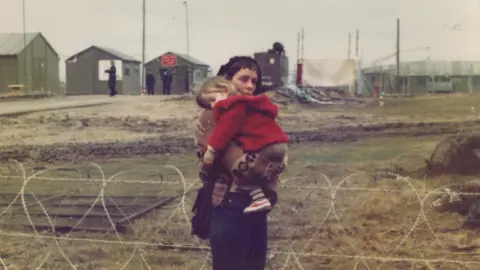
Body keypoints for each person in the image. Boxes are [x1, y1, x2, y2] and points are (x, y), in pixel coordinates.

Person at [191, 56, 285, 270]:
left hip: (254, 203)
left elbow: (276, 147)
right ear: (226, 81)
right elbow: (246, 167)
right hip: (231, 203)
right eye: (244, 79)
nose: (250, 86)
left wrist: (274, 160)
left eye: (254, 81)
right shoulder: (212, 117)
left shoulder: (248, 113)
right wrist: (273, 165)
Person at [197, 76, 288, 213]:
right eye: (208, 104)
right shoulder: (251, 105)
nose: (212, 106)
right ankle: (268, 194)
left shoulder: (232, 108)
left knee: (242, 173)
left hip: (263, 147)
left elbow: (223, 132)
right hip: (278, 145)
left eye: (212, 100)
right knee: (265, 171)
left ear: (225, 90)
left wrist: (210, 150)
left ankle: (259, 199)